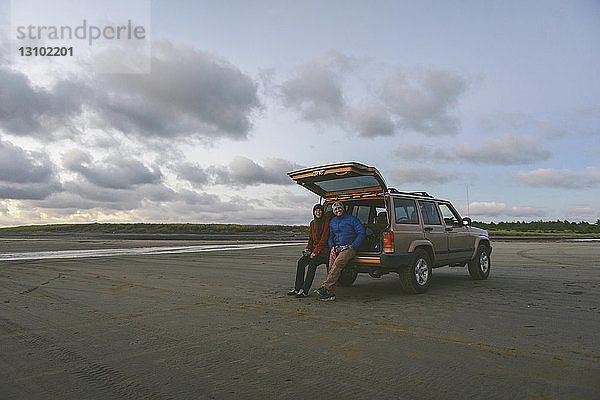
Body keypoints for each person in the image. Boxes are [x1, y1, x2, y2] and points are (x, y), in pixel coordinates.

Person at [314, 201, 365, 301]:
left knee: (337, 264)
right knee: (331, 266)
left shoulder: (352, 219)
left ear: (343, 209)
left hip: (348, 248)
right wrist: (332, 246)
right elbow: (330, 236)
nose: (338, 210)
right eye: (335, 209)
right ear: (333, 211)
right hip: (336, 248)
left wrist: (353, 245)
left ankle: (325, 288)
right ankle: (330, 293)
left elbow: (361, 232)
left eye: (339, 208)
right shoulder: (332, 221)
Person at [287, 204, 330, 298]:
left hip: (324, 252)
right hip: (313, 250)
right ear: (313, 212)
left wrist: (315, 252)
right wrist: (308, 249)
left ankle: (305, 290)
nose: (318, 212)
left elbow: (324, 239)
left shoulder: (326, 221)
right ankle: (297, 288)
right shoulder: (312, 223)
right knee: (301, 262)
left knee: (312, 264)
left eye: (320, 210)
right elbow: (310, 239)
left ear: (322, 212)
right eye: (316, 210)